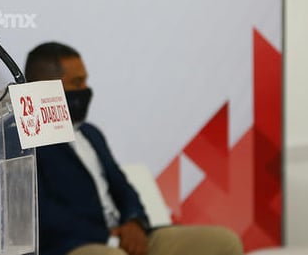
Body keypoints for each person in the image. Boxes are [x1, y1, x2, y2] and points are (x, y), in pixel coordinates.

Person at [25, 42, 243, 255]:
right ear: (45, 87)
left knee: (223, 242)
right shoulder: (24, 140)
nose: (86, 90)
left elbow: (123, 188)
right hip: (72, 245)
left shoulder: (91, 133)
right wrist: (107, 234)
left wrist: (134, 222)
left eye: (85, 81)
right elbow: (39, 213)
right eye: (77, 82)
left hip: (126, 238)